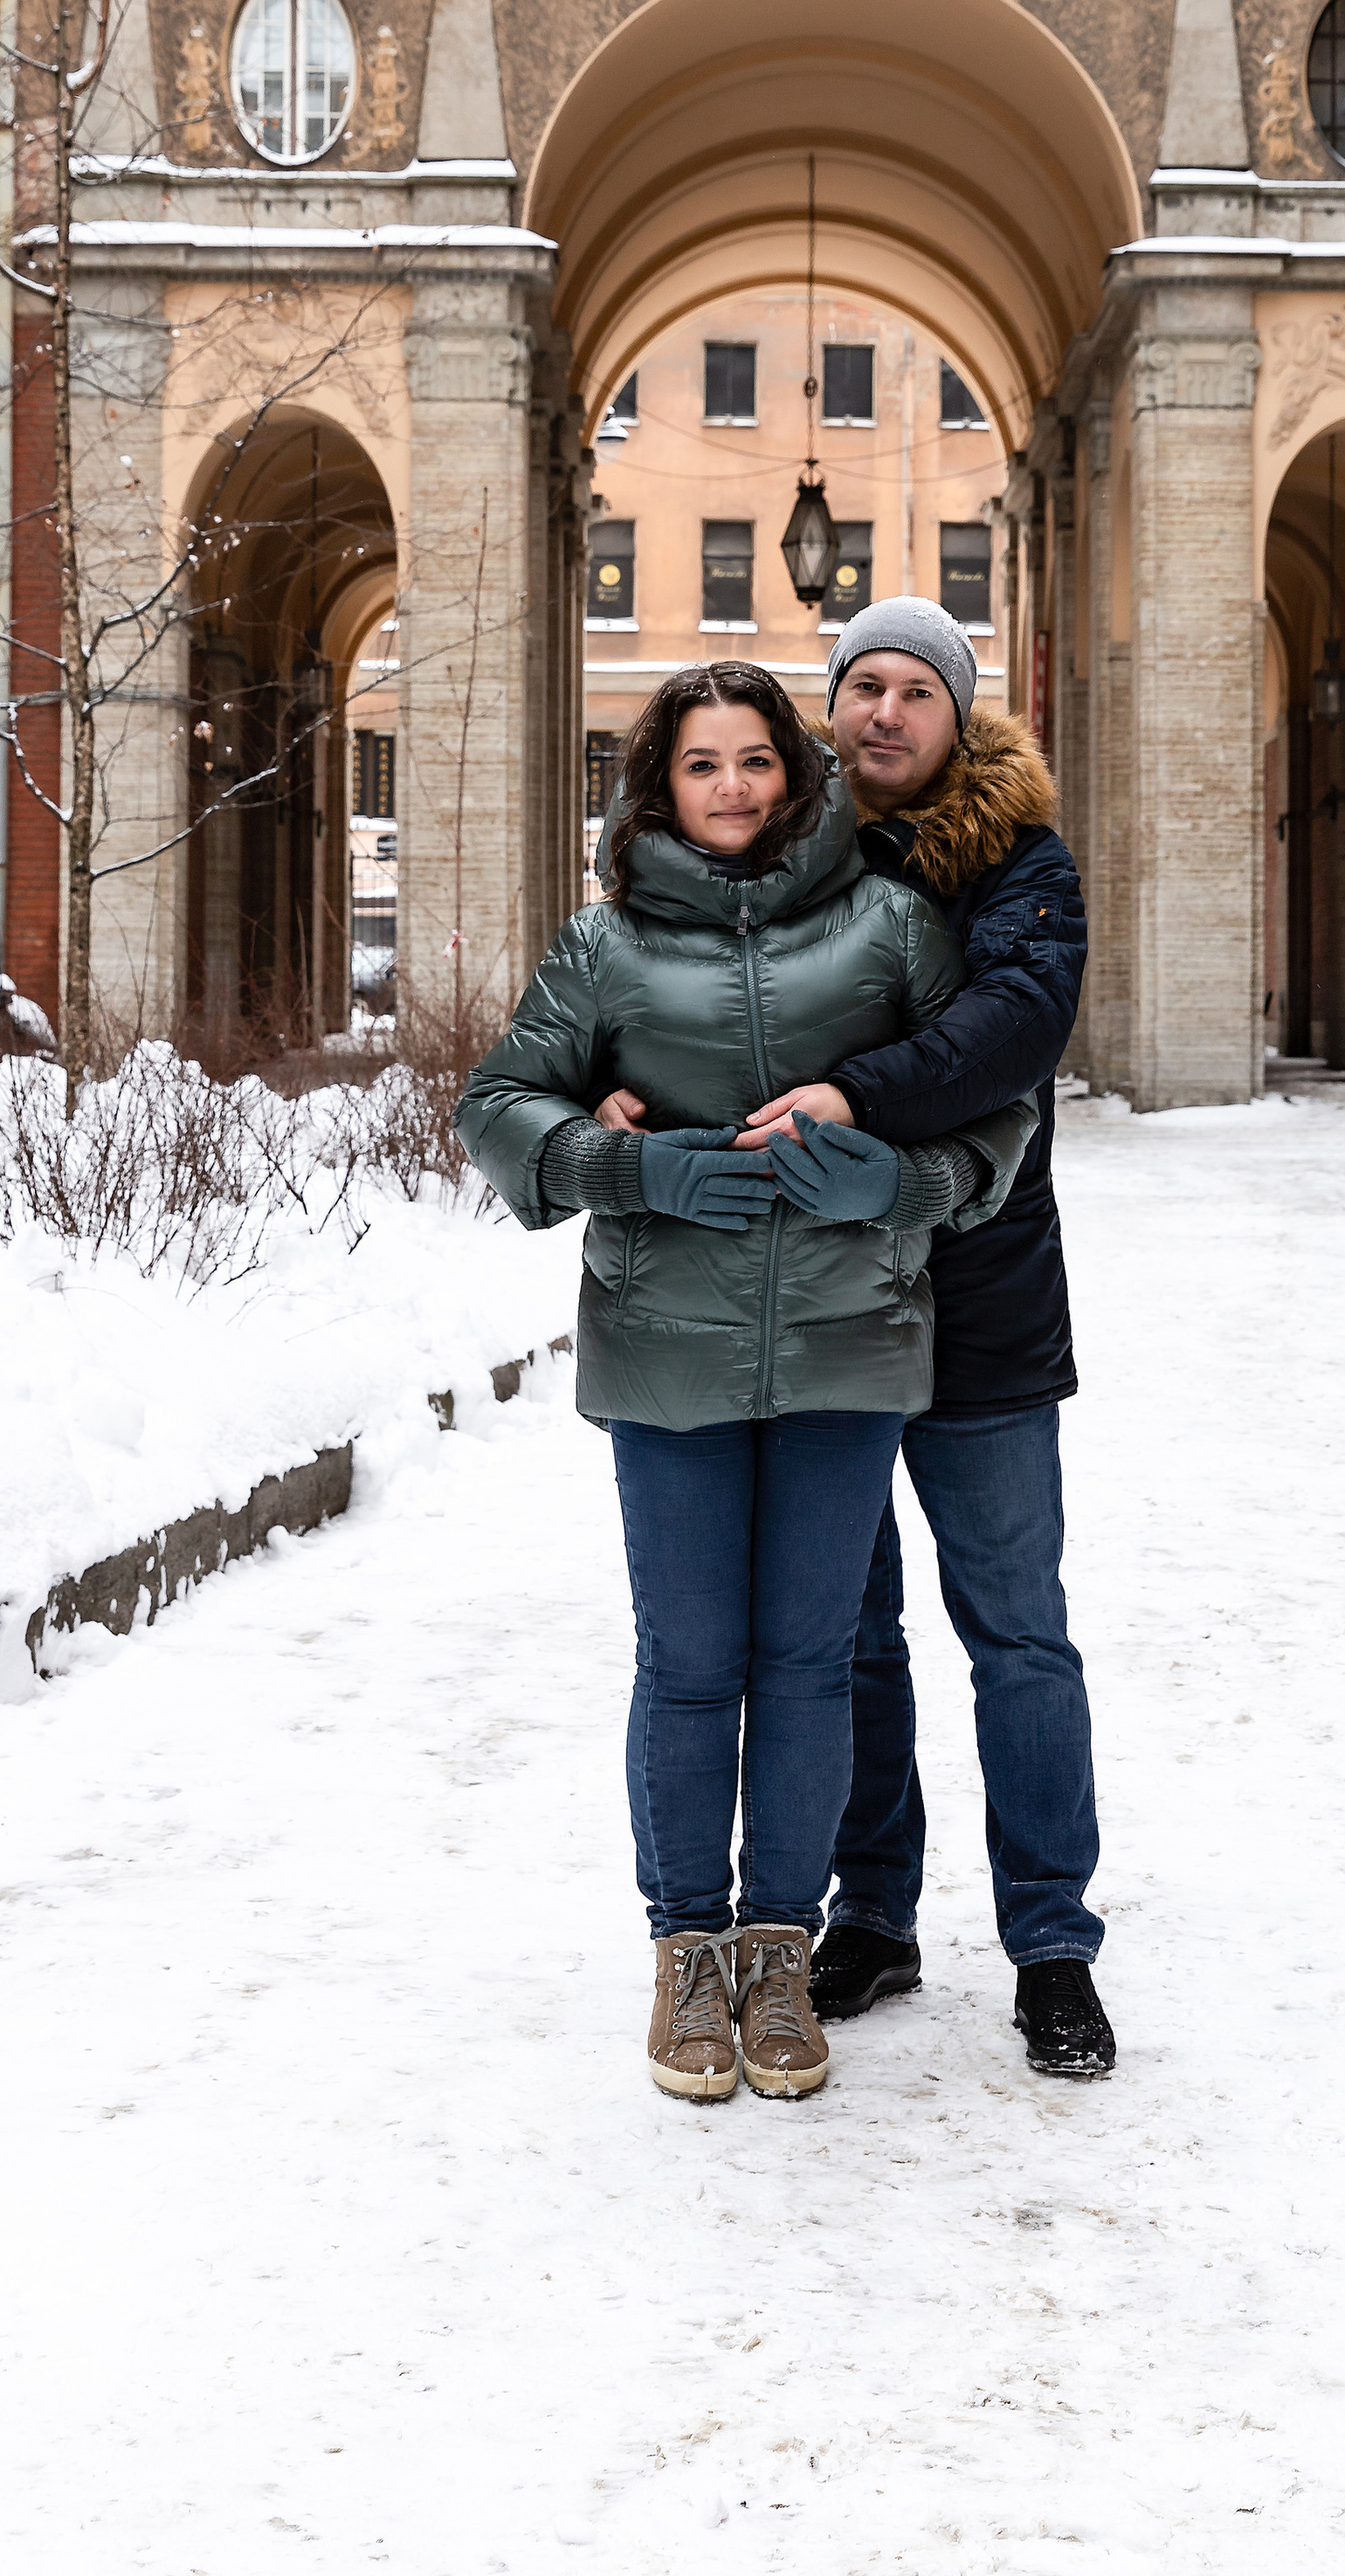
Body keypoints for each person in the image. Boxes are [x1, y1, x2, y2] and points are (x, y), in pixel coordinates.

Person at [456, 661, 1033, 2106]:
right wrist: (627, 1163)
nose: (731, 788)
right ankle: (686, 1956)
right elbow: (496, 1109)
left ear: (799, 774)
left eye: (756, 761)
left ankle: (782, 1951)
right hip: (668, 1354)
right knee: (692, 1663)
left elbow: (1001, 1124)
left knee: (809, 1660)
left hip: (850, 1344)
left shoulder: (892, 927)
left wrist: (900, 1180)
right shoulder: (604, 952)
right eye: (701, 765)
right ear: (661, 785)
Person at [598, 598, 1112, 2079]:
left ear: (962, 716)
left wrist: (852, 1097)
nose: (883, 712)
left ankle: (1052, 1945)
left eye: (915, 691)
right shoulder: (789, 854)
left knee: (1016, 1630)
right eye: (861, 688)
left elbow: (1012, 1032)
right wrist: (619, 1093)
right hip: (823, 1303)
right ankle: (873, 1918)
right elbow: (676, 999)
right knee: (845, 1639)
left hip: (981, 1295)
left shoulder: (1020, 865)